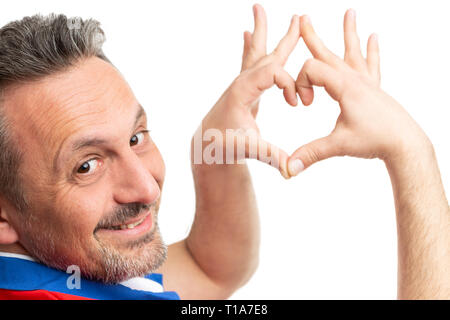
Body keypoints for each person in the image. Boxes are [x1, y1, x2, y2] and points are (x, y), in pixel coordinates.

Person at [0, 4, 448, 300]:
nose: (145, 185)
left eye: (137, 137)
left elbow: (208, 270)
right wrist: (411, 153)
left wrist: (213, 150)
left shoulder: (52, 270)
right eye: (87, 165)